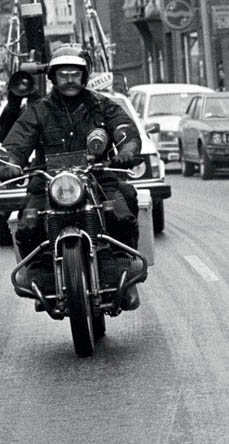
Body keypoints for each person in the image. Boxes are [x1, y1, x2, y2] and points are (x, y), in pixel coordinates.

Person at [0, 43, 142, 309]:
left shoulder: (102, 106)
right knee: (28, 221)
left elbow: (124, 129)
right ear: (53, 77)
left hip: (97, 177)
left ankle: (126, 271)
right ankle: (39, 274)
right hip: (48, 182)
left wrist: (127, 150)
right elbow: (16, 143)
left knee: (123, 206)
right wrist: (9, 163)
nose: (69, 79)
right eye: (62, 74)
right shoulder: (38, 111)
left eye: (74, 74)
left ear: (84, 76)